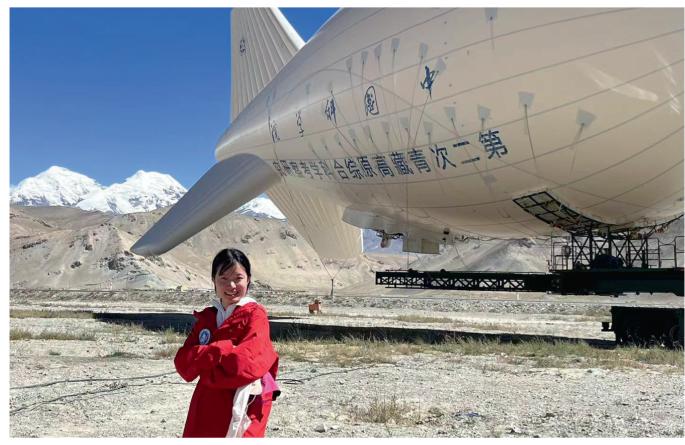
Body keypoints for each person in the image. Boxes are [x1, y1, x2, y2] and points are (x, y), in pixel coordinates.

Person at [174, 248, 280, 437]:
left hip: (245, 400)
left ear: (248, 279)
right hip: (208, 401)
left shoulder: (255, 314)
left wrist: (204, 364)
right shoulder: (208, 317)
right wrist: (221, 348)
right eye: (223, 278)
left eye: (238, 278)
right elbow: (183, 363)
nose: (231, 285)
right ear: (213, 280)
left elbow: (247, 363)